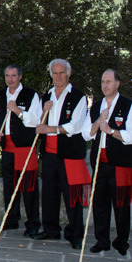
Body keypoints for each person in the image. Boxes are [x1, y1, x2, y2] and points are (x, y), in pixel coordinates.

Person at [35, 59, 89, 250]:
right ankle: (51, 230)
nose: (58, 77)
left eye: (61, 73)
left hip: (69, 155)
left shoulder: (79, 97)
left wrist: (47, 128)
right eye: (54, 73)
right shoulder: (47, 96)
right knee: (49, 194)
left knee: (72, 196)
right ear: (51, 74)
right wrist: (43, 112)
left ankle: (75, 234)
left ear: (69, 73)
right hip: (49, 154)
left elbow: (74, 127)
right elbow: (38, 122)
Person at [82, 69, 132, 256]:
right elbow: (87, 133)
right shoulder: (95, 106)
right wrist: (98, 121)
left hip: (120, 164)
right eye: (103, 81)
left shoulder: (128, 105)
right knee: (100, 203)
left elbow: (131, 136)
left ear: (117, 84)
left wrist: (110, 131)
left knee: (121, 204)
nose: (105, 85)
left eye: (109, 81)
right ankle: (102, 241)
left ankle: (121, 241)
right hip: (99, 163)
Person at [0, 64, 42, 237]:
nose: (10, 79)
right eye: (7, 76)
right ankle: (11, 220)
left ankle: (33, 223)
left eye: (13, 75)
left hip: (25, 148)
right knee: (9, 186)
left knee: (29, 187)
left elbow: (36, 121)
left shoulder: (31, 95)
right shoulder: (0, 95)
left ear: (20, 77)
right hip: (7, 148)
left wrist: (17, 111)